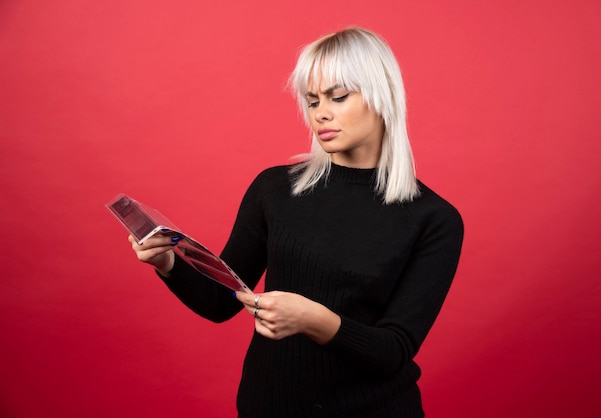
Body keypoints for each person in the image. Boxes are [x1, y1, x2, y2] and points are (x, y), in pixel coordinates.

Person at [129, 27, 464, 418]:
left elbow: (392, 352)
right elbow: (222, 302)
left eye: (338, 97)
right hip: (267, 407)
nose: (321, 112)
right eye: (312, 100)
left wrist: (314, 320)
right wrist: (168, 264)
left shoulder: (434, 219)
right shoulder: (274, 189)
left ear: (381, 97)